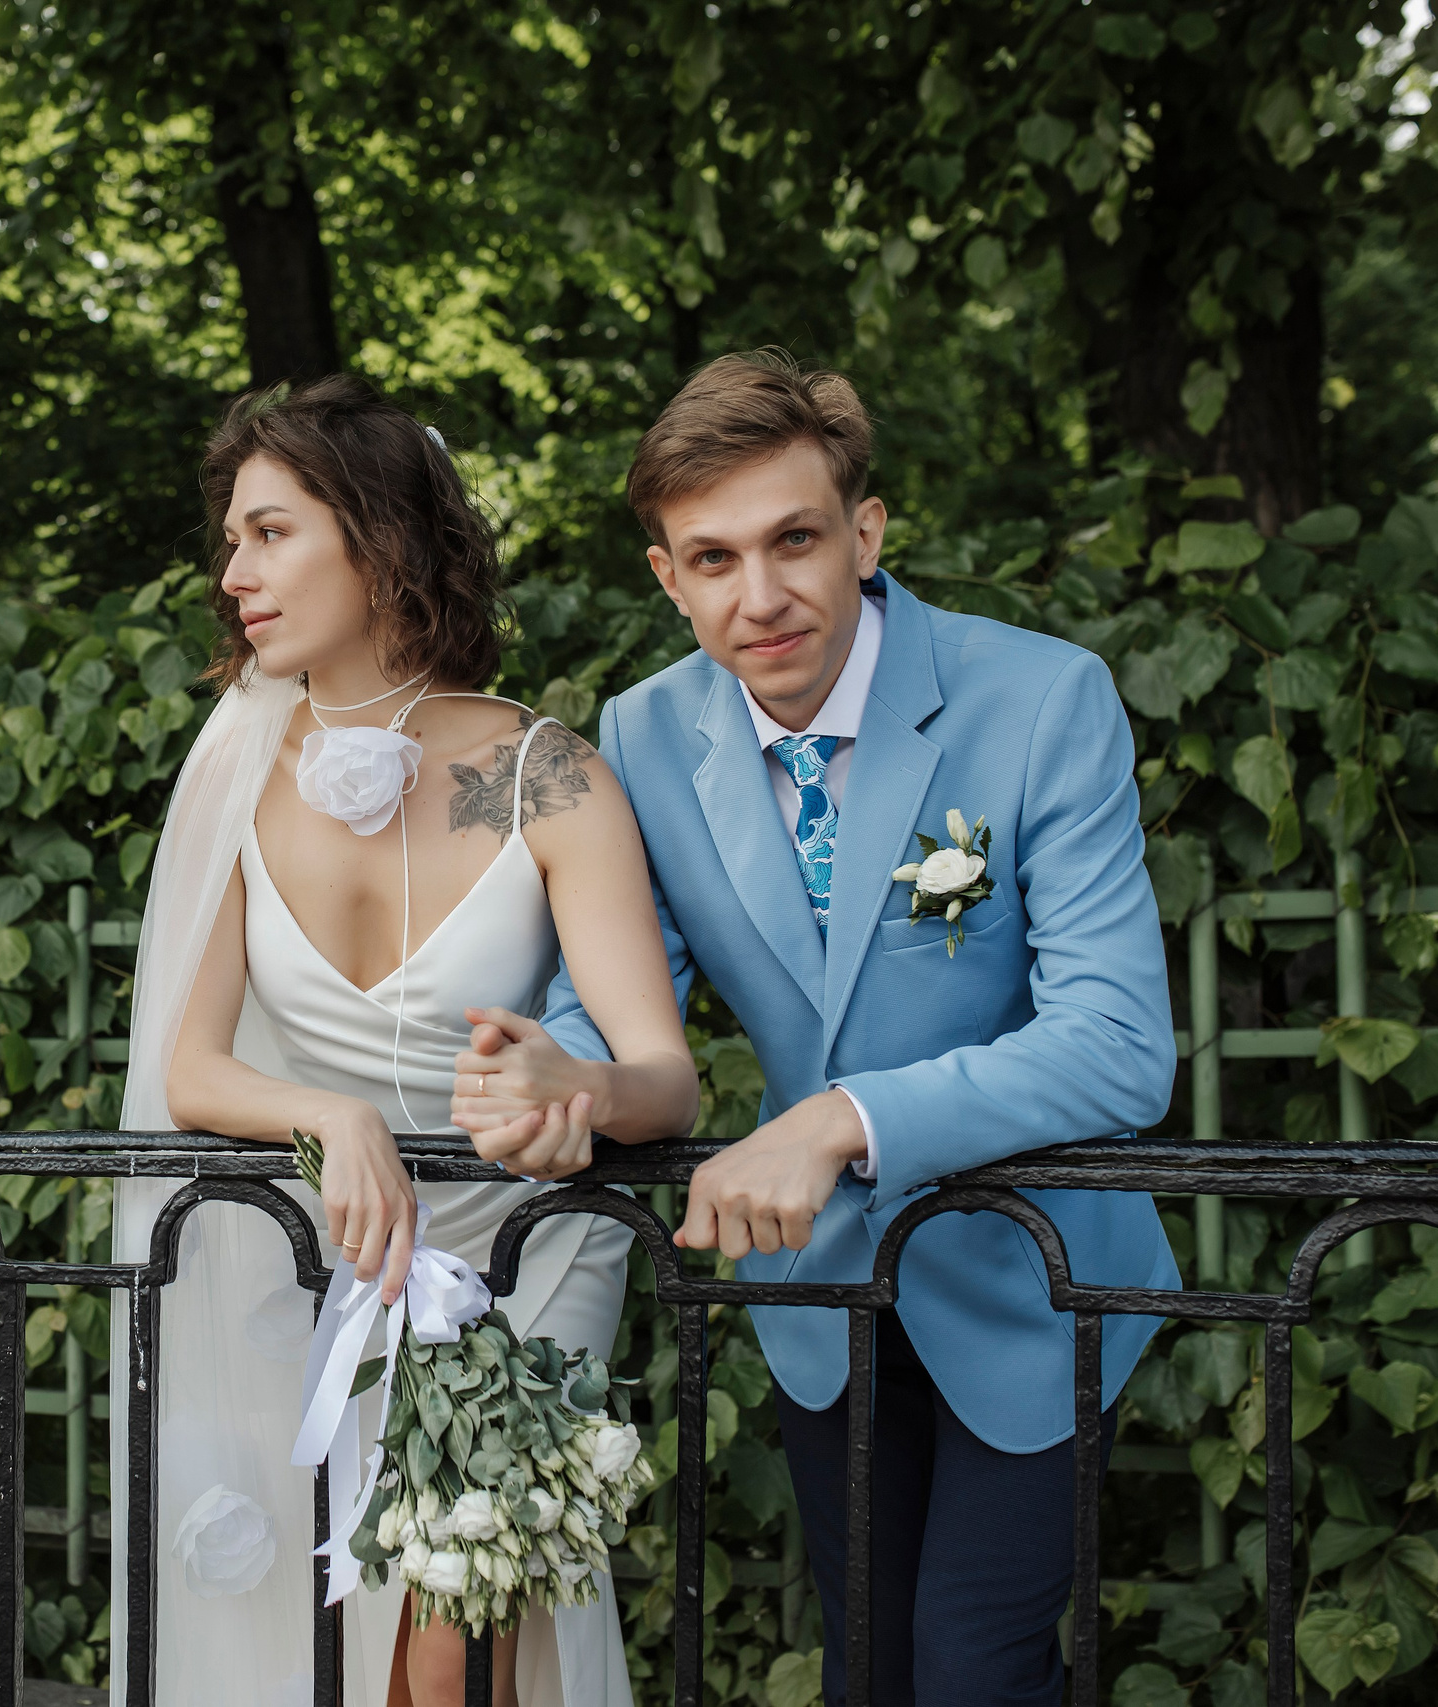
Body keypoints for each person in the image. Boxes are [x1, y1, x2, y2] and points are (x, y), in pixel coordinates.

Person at [461, 350, 1179, 1706]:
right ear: (668, 577)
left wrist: (841, 1120)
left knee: (973, 1675)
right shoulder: (643, 730)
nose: (763, 595)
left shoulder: (1041, 698)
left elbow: (1119, 1041)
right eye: (713, 558)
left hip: (1039, 1282)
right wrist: (564, 1081)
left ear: (865, 530)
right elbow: (616, 1016)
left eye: (795, 540)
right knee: (865, 1673)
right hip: (823, 1294)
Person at [110, 375, 701, 1707]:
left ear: (377, 540)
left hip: (522, 1260)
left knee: (451, 1649)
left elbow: (667, 1077)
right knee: (319, 1638)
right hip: (319, 1266)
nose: (232, 570)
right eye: (232, 538)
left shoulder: (541, 770)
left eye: (270, 532)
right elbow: (191, 1072)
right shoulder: (238, 780)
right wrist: (333, 1116)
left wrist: (579, 1081)